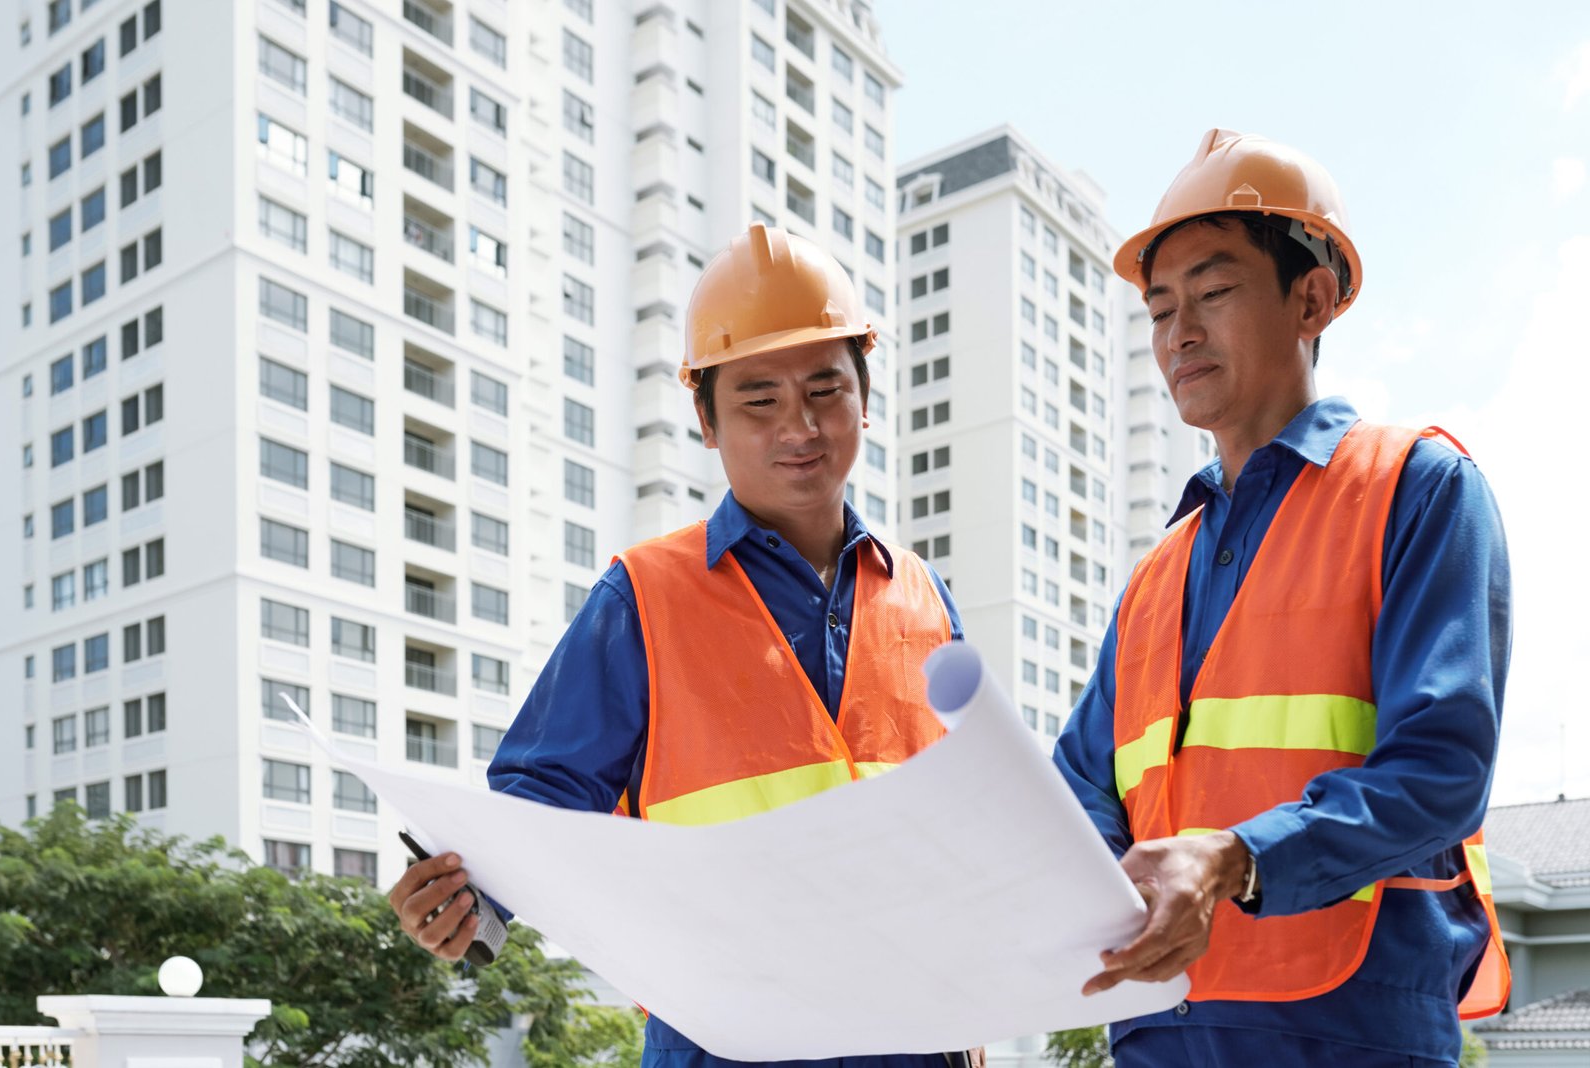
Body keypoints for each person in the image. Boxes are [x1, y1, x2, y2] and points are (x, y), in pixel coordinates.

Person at [389, 221, 974, 1068]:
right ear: (706, 418)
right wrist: (468, 905)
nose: (799, 426)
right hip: (727, 1046)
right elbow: (543, 797)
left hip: (916, 1041)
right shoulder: (645, 597)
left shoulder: (921, 593)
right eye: (759, 399)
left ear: (865, 397)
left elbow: (969, 814)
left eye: (824, 388)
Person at [1055, 128, 1512, 1067]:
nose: (1179, 332)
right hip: (1158, 1031)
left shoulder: (1416, 488)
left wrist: (1235, 860)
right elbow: (1081, 787)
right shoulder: (1154, 578)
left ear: (1312, 299)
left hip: (1347, 1030)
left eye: (1213, 293)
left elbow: (1441, 770)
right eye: (1160, 308)